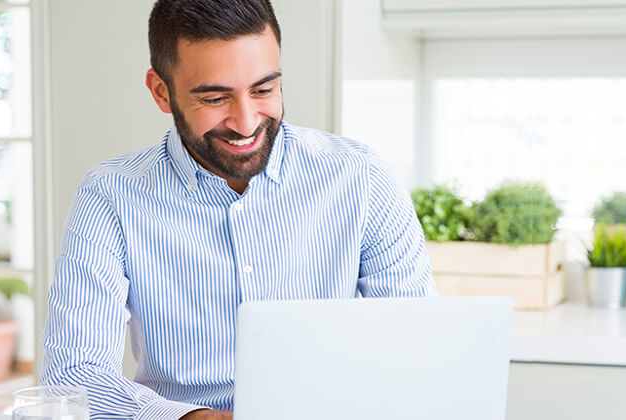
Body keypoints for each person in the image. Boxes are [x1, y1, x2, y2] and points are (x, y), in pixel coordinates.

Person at [40, 0, 437, 418]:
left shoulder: (360, 177)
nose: (246, 123)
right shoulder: (111, 196)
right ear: (162, 91)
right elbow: (73, 376)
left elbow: (417, 347)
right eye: (215, 97)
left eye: (264, 89)